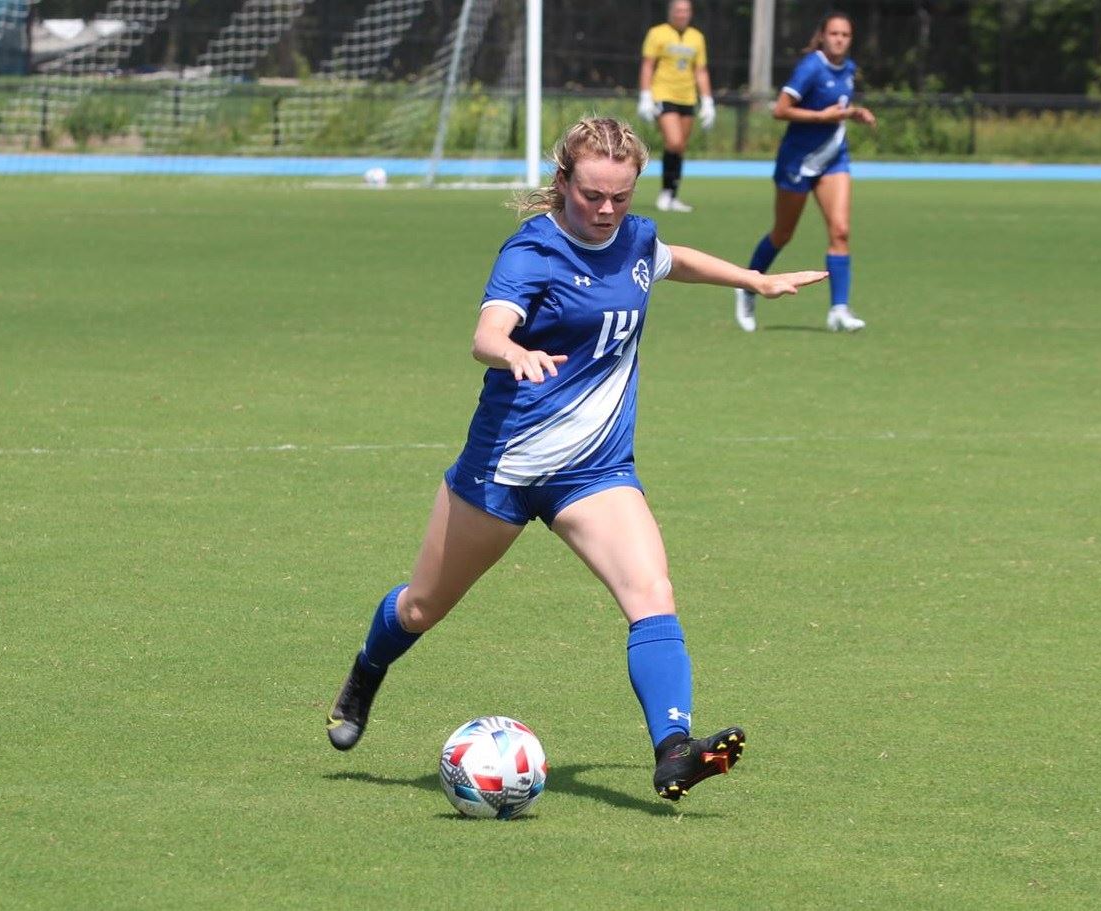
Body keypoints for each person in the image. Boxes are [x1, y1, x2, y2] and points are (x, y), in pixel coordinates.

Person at [324, 117, 827, 800]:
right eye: (592, 195)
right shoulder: (533, 252)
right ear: (563, 182)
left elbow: (670, 259)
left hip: (594, 471)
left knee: (651, 594)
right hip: (502, 470)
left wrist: (752, 280)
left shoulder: (636, 238)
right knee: (421, 607)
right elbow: (486, 332)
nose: (606, 210)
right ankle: (365, 671)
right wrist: (514, 351)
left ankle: (674, 747)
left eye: (621, 196)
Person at [733, 11, 875, 334]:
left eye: (845, 35)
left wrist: (854, 113)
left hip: (833, 159)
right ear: (822, 36)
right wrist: (820, 117)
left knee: (840, 231)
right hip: (797, 163)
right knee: (782, 234)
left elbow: (837, 108)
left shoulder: (849, 69)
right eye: (834, 33)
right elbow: (780, 109)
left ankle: (839, 309)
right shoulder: (811, 67)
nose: (839, 39)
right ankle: (746, 285)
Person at [637, 0, 714, 213]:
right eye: (679, 10)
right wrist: (645, 95)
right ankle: (664, 193)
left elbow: (701, 70)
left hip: (688, 97)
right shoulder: (657, 33)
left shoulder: (696, 37)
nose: (682, 14)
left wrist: (707, 101)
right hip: (664, 94)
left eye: (686, 10)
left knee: (680, 148)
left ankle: (672, 194)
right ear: (671, 12)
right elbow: (647, 65)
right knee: (674, 141)